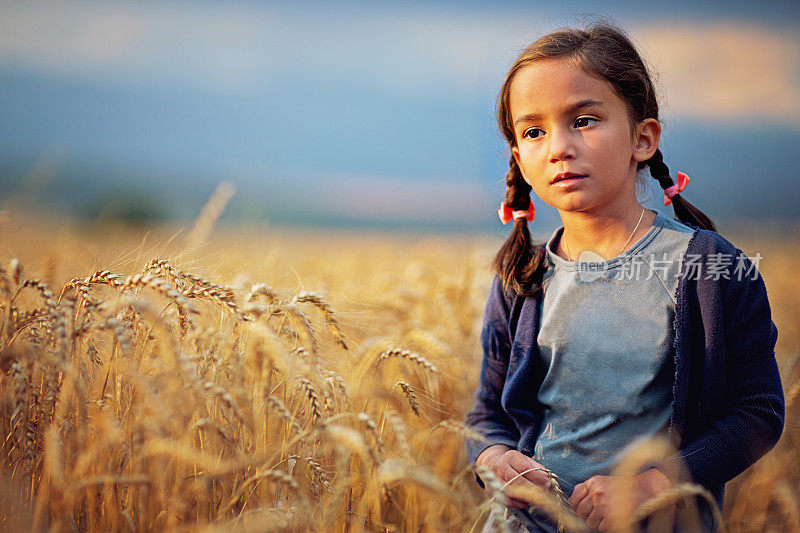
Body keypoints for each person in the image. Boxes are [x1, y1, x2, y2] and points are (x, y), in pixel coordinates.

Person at [463, 22, 785, 533]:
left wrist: (654, 484)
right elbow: (487, 415)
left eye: (584, 120)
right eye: (534, 132)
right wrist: (495, 458)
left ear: (643, 138)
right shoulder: (522, 278)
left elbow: (758, 411)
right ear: (519, 162)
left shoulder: (707, 268)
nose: (559, 148)